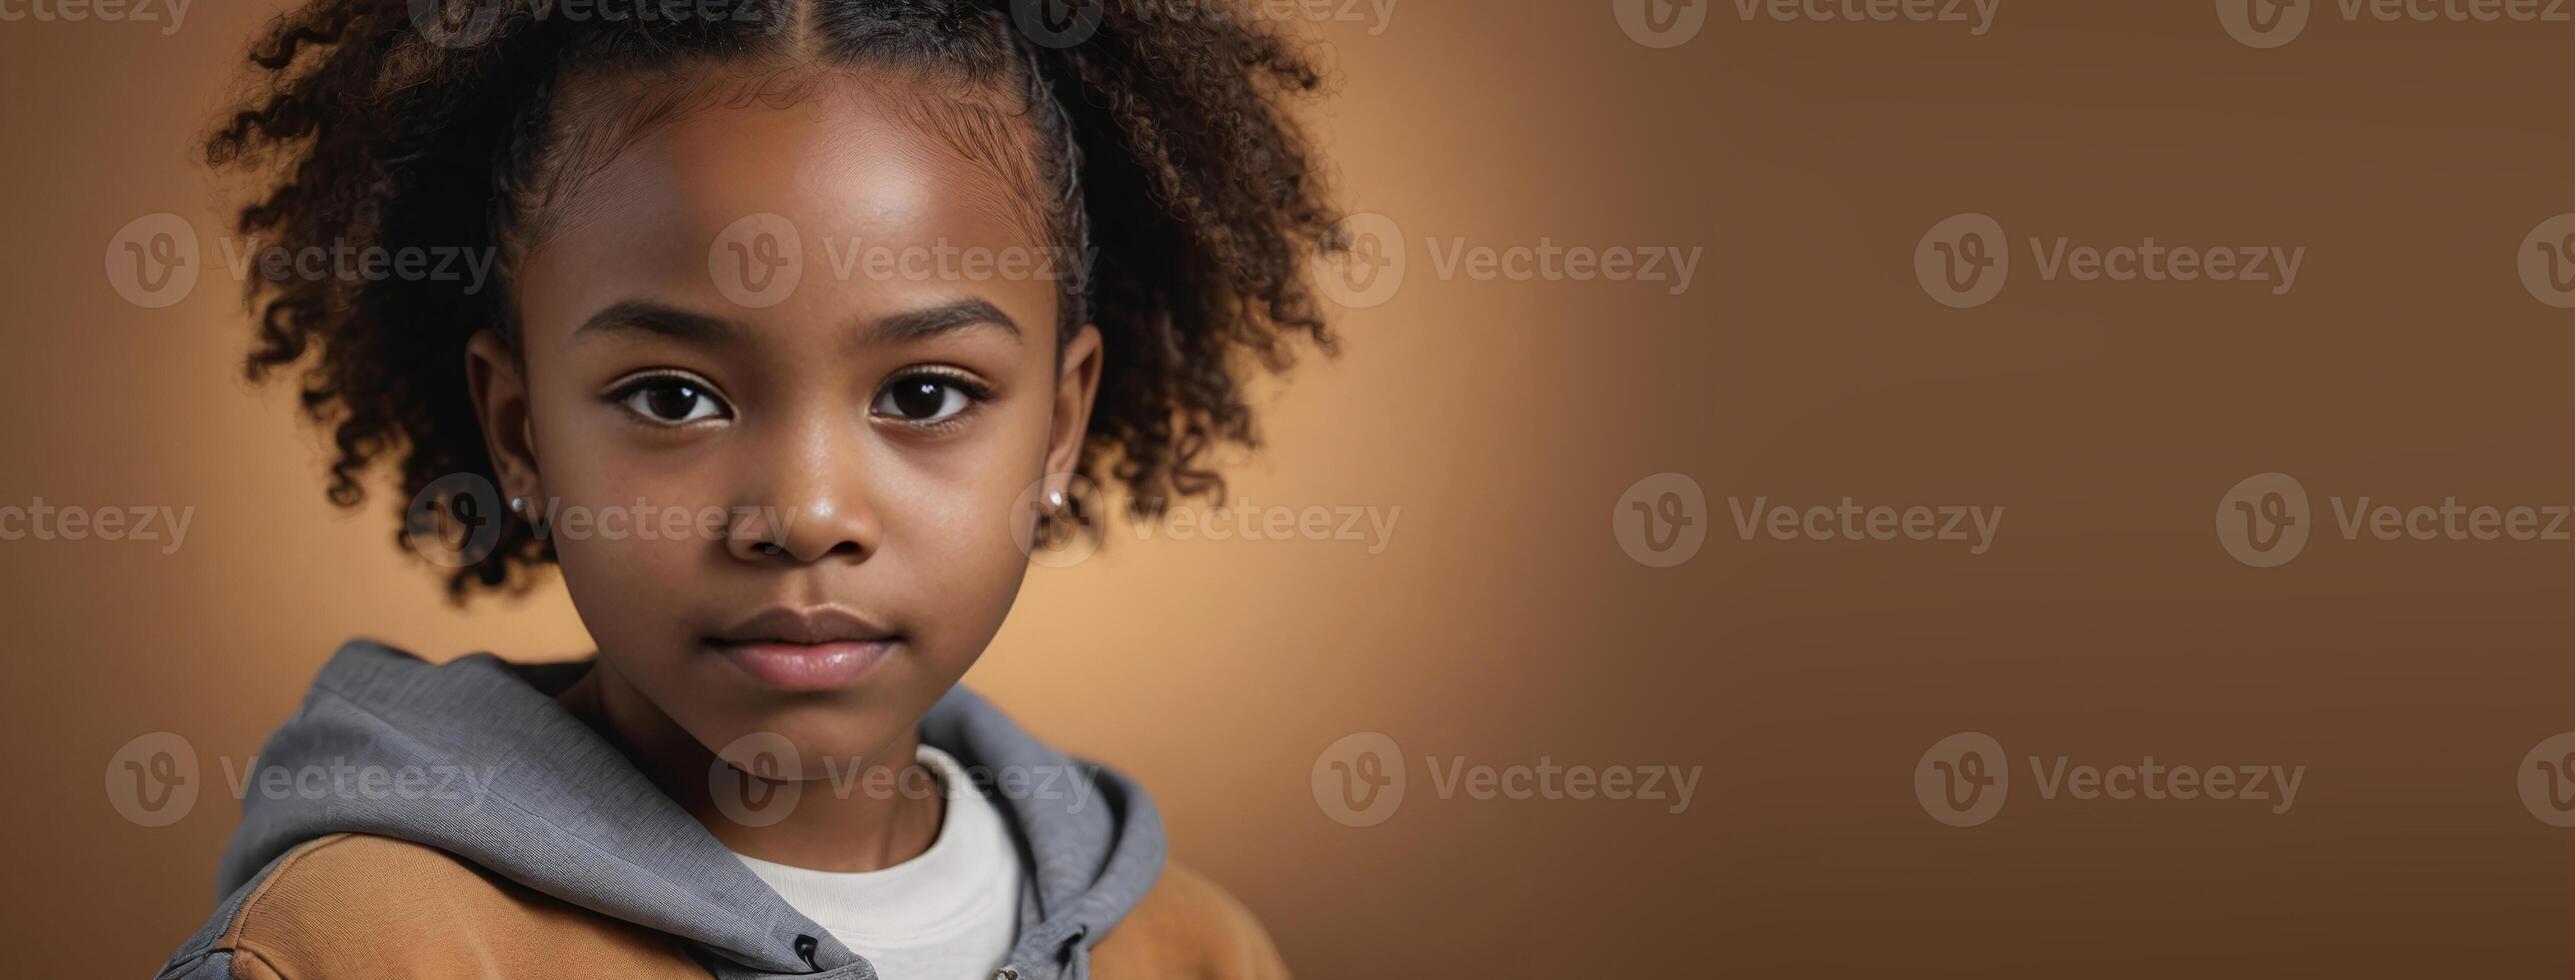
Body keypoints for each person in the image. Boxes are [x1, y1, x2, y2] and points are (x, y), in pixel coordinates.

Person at [156, 1, 1342, 977]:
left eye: (924, 395)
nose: (807, 514)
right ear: (519, 432)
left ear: (1059, 425)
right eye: (674, 398)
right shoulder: (366, 950)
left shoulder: (1195, 951)